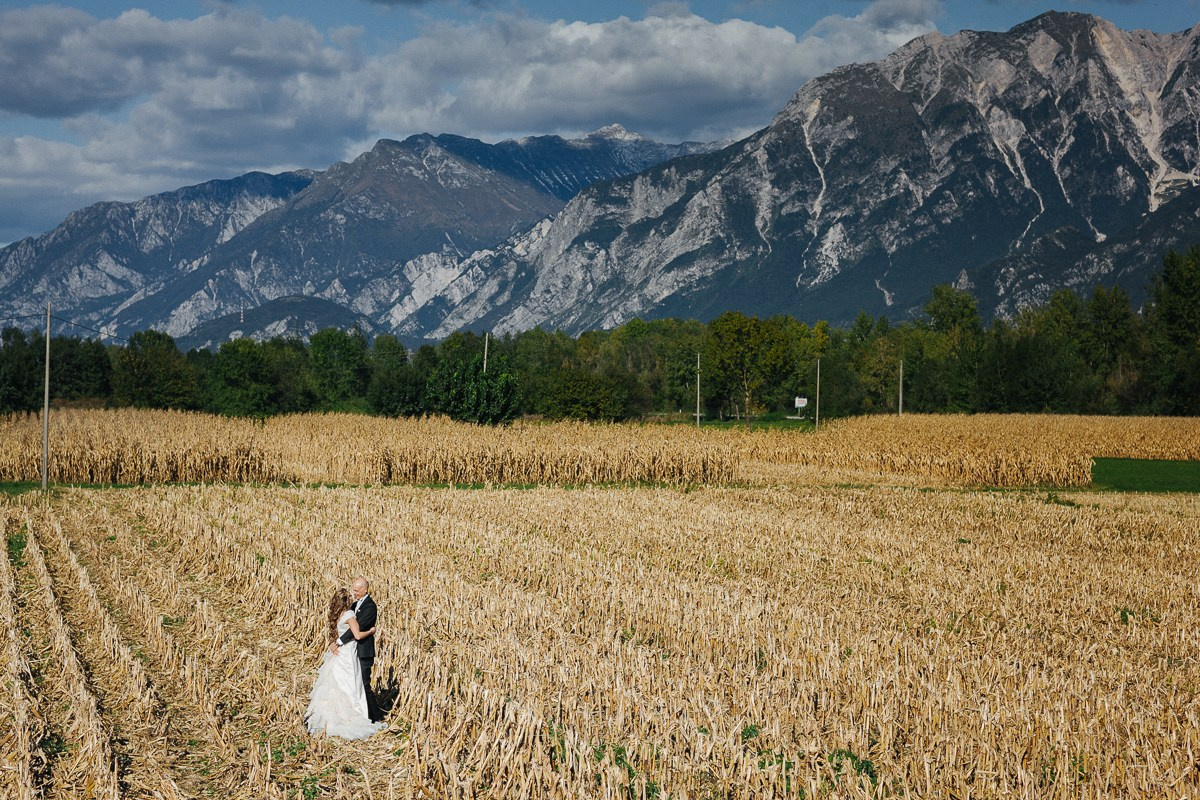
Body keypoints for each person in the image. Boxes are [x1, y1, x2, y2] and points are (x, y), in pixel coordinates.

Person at [304, 586, 385, 738]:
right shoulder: (349, 613)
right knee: (352, 684)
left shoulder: (339, 614)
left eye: (356, 590)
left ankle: (329, 717)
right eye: (351, 594)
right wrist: (371, 631)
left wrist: (335, 643)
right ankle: (363, 715)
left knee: (338, 683)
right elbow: (358, 635)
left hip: (341, 653)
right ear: (347, 600)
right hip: (348, 653)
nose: (353, 595)